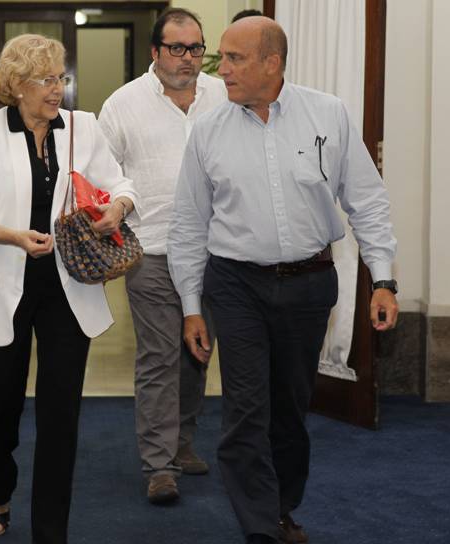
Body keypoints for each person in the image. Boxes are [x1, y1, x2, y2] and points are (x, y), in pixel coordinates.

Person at [167, 17, 398, 544]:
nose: (219, 69)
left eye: (233, 59)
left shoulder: (328, 114)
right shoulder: (207, 131)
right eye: (220, 57)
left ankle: (280, 507)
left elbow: (366, 200)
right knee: (246, 410)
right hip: (236, 284)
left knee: (290, 410)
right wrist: (191, 306)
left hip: (310, 283)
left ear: (272, 63)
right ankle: (261, 529)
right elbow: (187, 225)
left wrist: (383, 278)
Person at [0, 34, 139, 543]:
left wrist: (115, 210)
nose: (58, 89)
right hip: (0, 283)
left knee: (61, 414)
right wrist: (11, 235)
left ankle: (51, 531)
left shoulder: (83, 126)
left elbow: (120, 184)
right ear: (16, 84)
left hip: (66, 287)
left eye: (61, 78)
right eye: (45, 79)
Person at [98, 7, 226, 505]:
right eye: (177, 48)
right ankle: (158, 465)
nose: (188, 58)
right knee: (159, 357)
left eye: (196, 48)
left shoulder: (222, 95)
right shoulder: (123, 104)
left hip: (215, 253)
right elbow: (102, 173)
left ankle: (183, 442)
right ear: (155, 52)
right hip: (151, 252)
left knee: (197, 355)